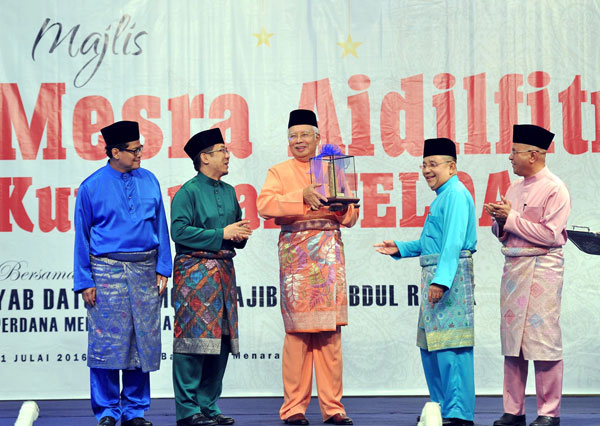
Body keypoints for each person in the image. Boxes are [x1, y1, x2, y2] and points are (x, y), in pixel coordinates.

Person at [257, 109, 359, 426]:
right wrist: (299, 195)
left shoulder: (332, 169)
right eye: (293, 136)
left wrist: (342, 209)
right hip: (297, 257)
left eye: (304, 134)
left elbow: (352, 216)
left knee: (329, 334)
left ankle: (333, 408)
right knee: (298, 336)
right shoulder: (278, 170)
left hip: (329, 255)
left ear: (317, 137)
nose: (298, 141)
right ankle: (294, 409)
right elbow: (264, 206)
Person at [73, 120, 172, 426]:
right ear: (115, 152)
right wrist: (84, 279)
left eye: (140, 147)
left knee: (140, 342)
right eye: (134, 149)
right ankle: (106, 411)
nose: (140, 153)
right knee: (106, 343)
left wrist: (163, 268)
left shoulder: (150, 180)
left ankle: (135, 410)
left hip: (145, 270)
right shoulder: (92, 186)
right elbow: (82, 237)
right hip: (105, 271)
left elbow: (160, 226)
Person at [374, 137, 477, 426]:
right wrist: (401, 248)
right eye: (424, 165)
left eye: (433, 164)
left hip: (449, 277)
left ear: (452, 166)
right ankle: (442, 408)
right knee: (431, 347)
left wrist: (442, 281)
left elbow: (453, 243)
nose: (427, 170)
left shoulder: (456, 193)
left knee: (451, 347)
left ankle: (457, 412)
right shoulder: (443, 196)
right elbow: (431, 243)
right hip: (435, 274)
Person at [485, 124, 570, 426]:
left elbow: (549, 235)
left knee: (543, 341)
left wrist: (511, 218)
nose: (510, 157)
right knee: (513, 343)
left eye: (514, 152)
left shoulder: (555, 188)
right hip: (514, 269)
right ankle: (514, 410)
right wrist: (498, 221)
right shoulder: (513, 188)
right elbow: (505, 233)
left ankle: (549, 412)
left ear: (533, 155)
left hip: (542, 269)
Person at [171, 128, 252, 426]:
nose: (227, 155)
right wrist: (222, 234)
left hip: (224, 271)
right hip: (194, 273)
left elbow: (233, 233)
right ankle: (187, 409)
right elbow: (177, 232)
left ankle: (208, 405)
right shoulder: (188, 192)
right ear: (204, 158)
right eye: (221, 151)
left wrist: (239, 234)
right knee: (193, 343)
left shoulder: (229, 191)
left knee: (221, 341)